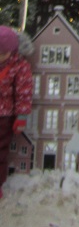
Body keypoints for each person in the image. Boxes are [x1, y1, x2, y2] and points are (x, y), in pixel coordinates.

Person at [0, 26, 33, 199]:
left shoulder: (19, 66)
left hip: (4, 116)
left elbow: (23, 92)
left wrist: (21, 116)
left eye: (2, 54)